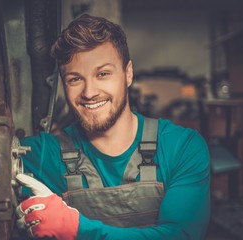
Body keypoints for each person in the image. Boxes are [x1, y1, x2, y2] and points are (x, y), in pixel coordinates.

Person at [16, 14, 210, 240]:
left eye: (103, 74)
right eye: (74, 79)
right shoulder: (41, 155)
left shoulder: (181, 147)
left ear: (128, 73)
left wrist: (77, 229)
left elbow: (180, 236)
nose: (89, 92)